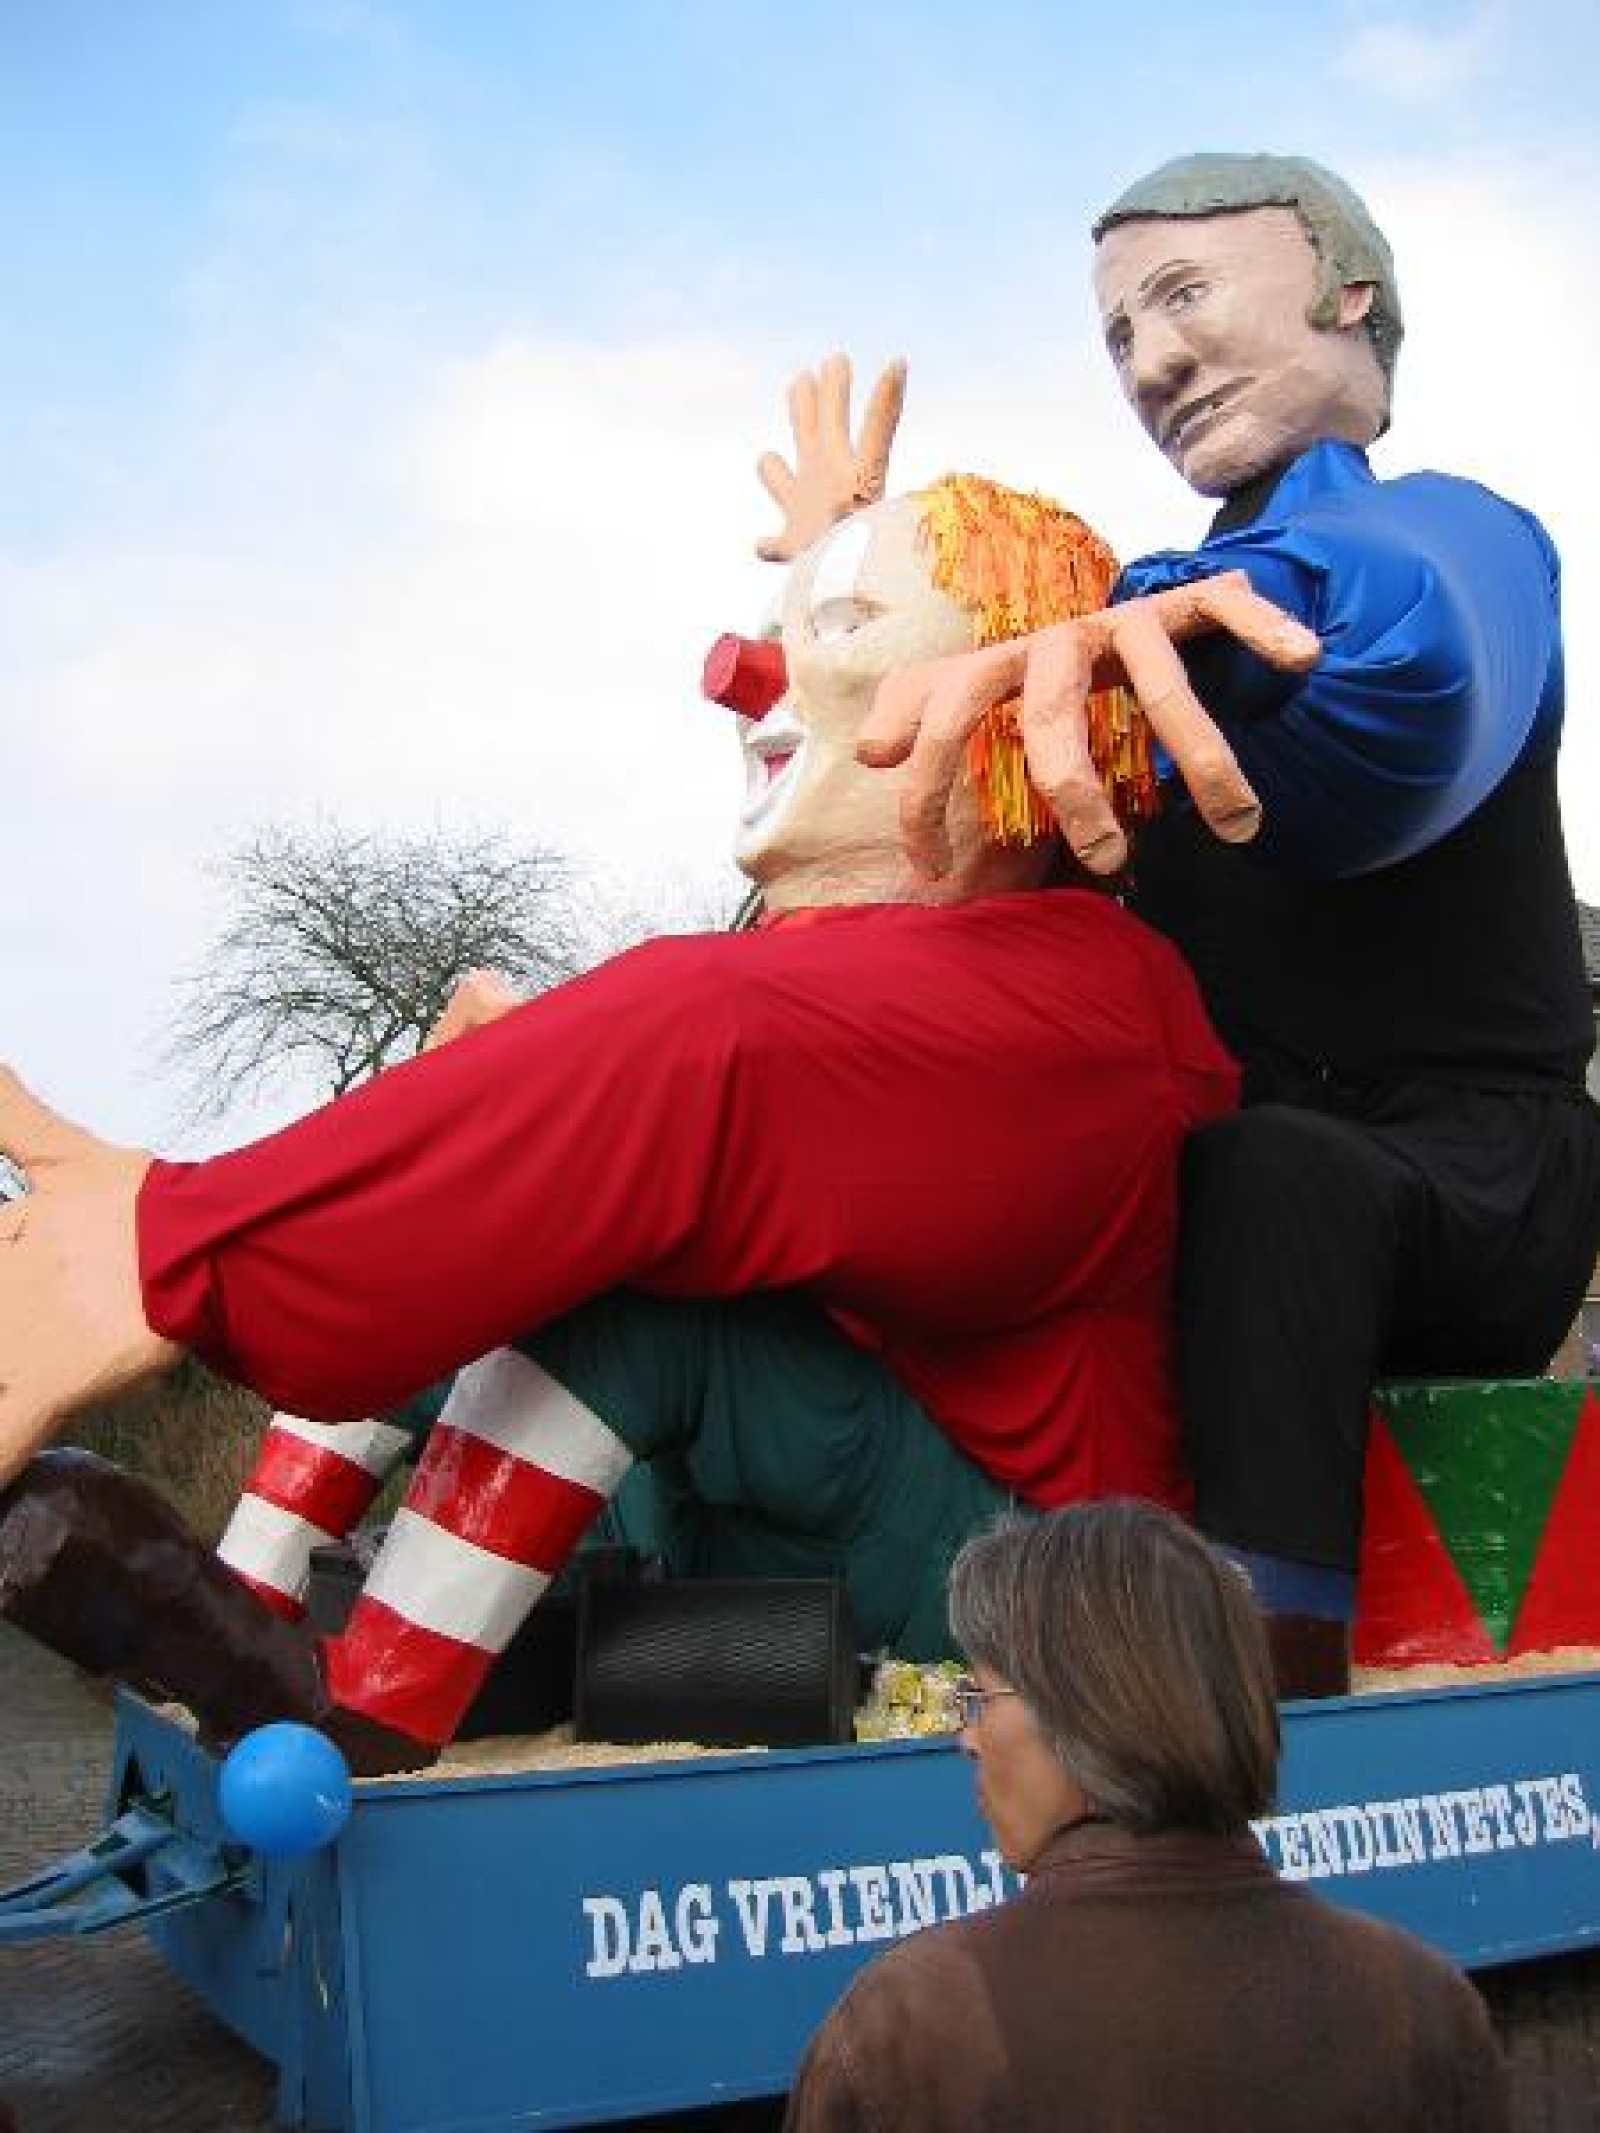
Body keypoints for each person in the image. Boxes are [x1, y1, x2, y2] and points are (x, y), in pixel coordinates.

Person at [0, 420, 1284, 1771]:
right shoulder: (855, 967)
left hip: (1006, 1578)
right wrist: (479, 1113)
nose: (742, 675)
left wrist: (167, 1247)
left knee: (584, 1261)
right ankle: (249, 1606)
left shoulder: (1091, 994)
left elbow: (713, 1046)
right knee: (485, 1232)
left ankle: (360, 1719)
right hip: (769, 1539)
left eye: (845, 628)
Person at [857, 153, 1600, 1695]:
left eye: (1183, 296)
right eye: (1120, 334)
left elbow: (1410, 666)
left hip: (1471, 1186)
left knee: (1269, 1172)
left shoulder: (1455, 537)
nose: (1152, 363)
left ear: (1348, 294)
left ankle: (1268, 1670)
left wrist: (1216, 614)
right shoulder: (1134, 636)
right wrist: (863, 603)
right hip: (1222, 1181)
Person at [785, 1499, 1511, 2132]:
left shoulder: (904, 2030)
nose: (965, 1738)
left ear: (1089, 1712)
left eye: (977, 1698)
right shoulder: (1424, 2006)